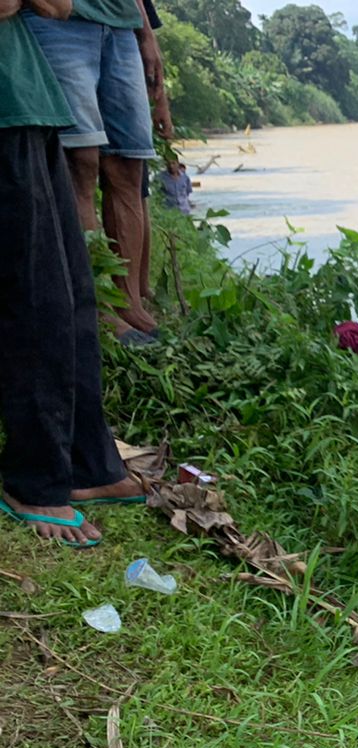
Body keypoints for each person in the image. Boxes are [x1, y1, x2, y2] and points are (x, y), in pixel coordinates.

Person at [1, 0, 144, 548]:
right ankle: (35, 481)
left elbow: (58, 6)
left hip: (30, 98)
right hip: (8, 106)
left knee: (71, 296)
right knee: (32, 298)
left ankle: (89, 465)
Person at [24, 0, 166, 341]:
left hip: (121, 25)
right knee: (79, 164)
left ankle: (129, 302)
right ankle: (96, 307)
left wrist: (146, 35)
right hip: (60, 22)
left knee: (129, 165)